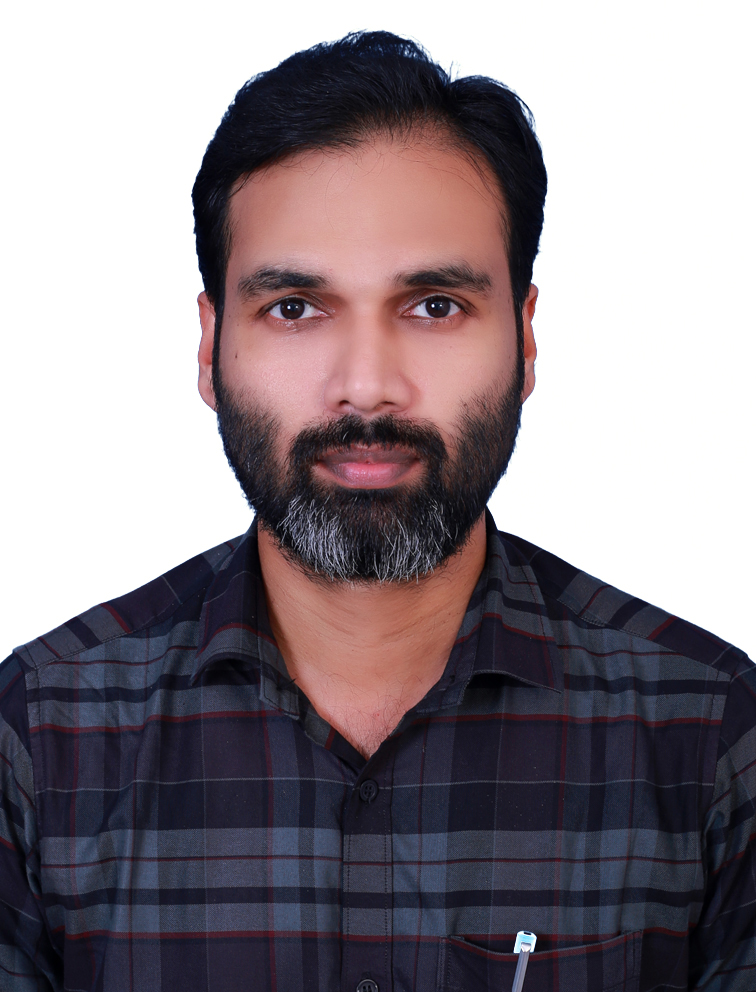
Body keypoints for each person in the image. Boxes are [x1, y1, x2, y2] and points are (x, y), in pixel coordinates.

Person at [0, 30, 753, 992]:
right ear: (209, 346)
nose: (365, 386)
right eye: (294, 308)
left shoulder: (707, 732)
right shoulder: (42, 736)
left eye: (434, 305)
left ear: (525, 341)